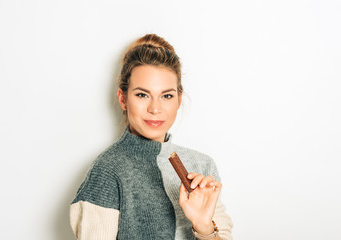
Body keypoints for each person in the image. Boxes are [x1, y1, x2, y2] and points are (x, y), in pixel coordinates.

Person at [70, 34, 233, 240]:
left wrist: (203, 227)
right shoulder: (107, 172)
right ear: (123, 98)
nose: (155, 109)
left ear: (179, 99)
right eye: (142, 94)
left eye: (166, 96)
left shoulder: (201, 167)